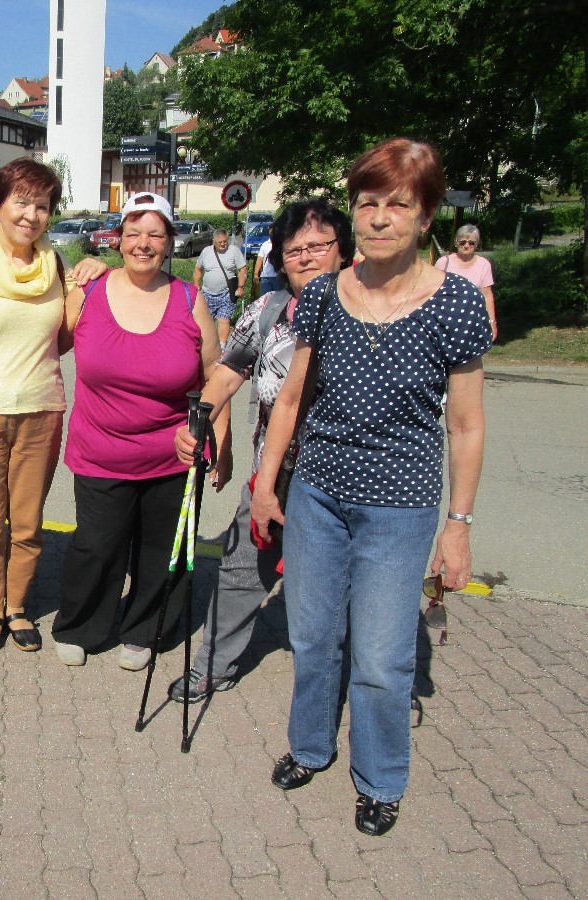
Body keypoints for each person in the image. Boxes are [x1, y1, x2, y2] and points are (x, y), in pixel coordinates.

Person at [252, 139, 492, 836]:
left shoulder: (456, 304)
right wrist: (267, 485)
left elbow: (467, 426)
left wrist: (458, 527)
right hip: (317, 496)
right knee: (313, 635)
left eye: (398, 204)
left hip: (400, 508)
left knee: (384, 657)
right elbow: (291, 400)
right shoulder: (325, 295)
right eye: (367, 204)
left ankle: (381, 776)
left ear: (427, 216)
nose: (380, 218)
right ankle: (310, 746)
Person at [166, 198, 354, 703]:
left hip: (344, 480)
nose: (306, 256)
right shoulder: (269, 311)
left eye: (318, 245)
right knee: (242, 568)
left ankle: (349, 678)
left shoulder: (367, 314)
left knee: (341, 585)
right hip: (273, 475)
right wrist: (199, 423)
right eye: (293, 249)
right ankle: (212, 666)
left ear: (343, 250)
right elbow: (229, 369)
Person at [0, 158, 107, 657]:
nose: (32, 215)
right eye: (21, 202)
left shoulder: (57, 268)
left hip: (41, 410)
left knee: (28, 523)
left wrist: (97, 275)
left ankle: (17, 607)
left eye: (43, 206)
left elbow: (66, 339)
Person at [51, 193, 220, 668]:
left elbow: (214, 372)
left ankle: (145, 629)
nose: (143, 244)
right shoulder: (90, 291)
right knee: (96, 546)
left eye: (155, 235)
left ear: (169, 242)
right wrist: (74, 273)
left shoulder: (190, 298)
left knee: (163, 550)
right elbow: (48, 343)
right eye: (133, 234)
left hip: (173, 455)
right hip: (100, 452)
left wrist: (218, 442)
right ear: (118, 239)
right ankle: (80, 625)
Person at [437, 224, 497, 341]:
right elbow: (431, 292)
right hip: (445, 322)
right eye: (462, 242)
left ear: (477, 244)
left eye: (471, 243)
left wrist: (492, 322)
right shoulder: (443, 263)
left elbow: (487, 295)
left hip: (472, 323)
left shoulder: (483, 265)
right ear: (456, 242)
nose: (466, 246)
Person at [194, 229, 247, 345]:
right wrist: (196, 285)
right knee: (206, 321)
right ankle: (207, 345)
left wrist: (240, 287)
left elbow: (243, 270)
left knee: (224, 319)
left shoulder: (234, 251)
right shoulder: (206, 252)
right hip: (207, 294)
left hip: (226, 293)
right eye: (220, 242)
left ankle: (222, 346)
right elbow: (198, 269)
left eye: (225, 241)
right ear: (214, 241)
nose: (223, 244)